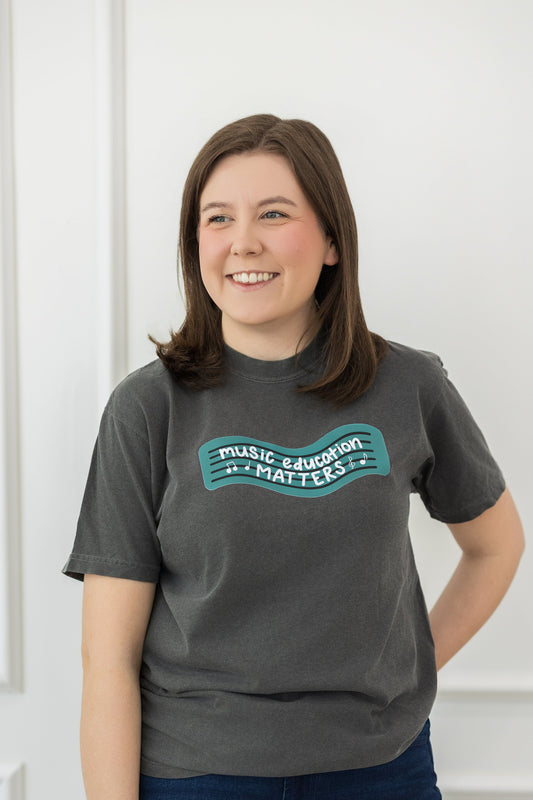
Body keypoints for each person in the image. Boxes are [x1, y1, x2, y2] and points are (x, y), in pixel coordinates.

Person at [63, 114, 525, 800]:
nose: (241, 242)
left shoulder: (407, 386)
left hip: (379, 770)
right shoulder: (147, 409)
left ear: (332, 239)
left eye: (273, 213)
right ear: (195, 243)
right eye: (216, 218)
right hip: (199, 775)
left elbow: (495, 545)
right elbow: (107, 660)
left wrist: (409, 668)